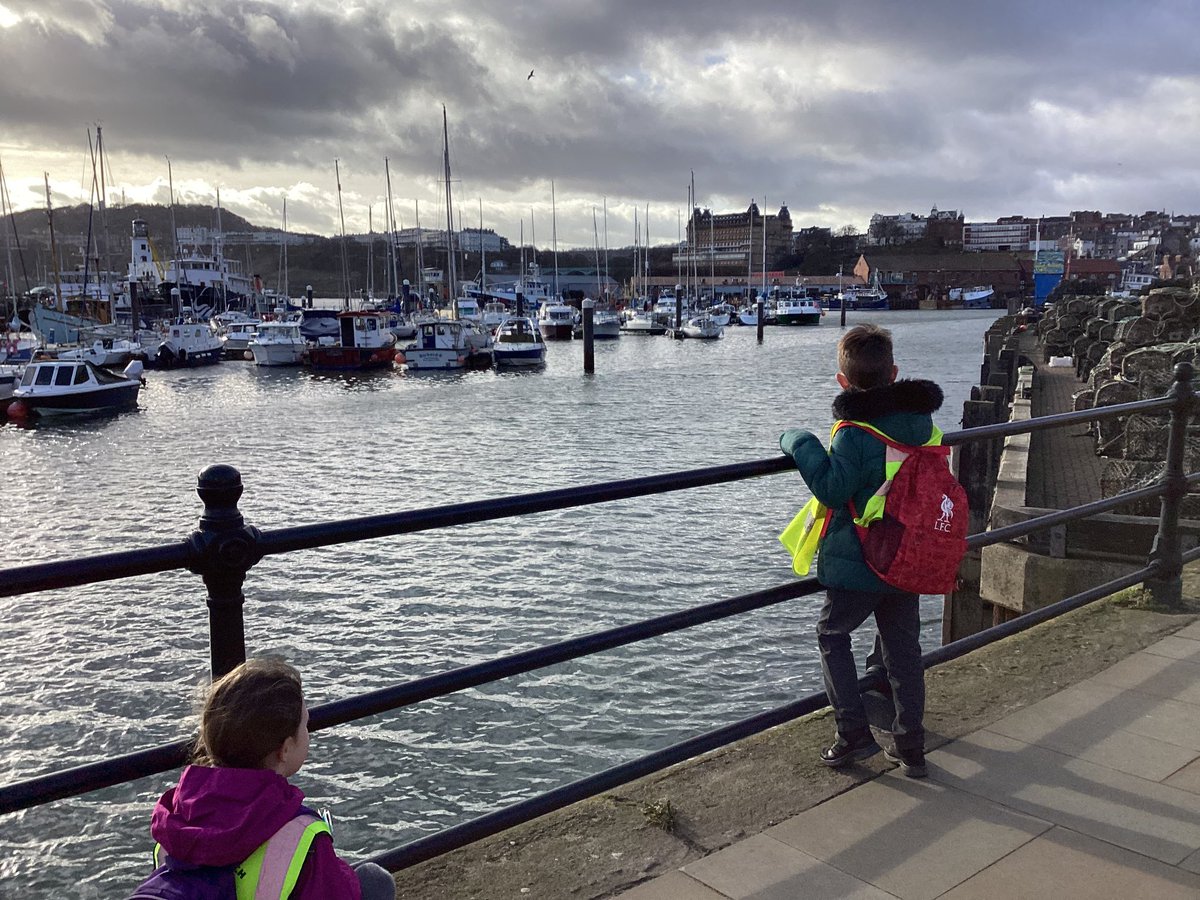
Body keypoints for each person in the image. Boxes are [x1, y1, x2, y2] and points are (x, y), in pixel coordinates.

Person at [778, 323, 944, 778]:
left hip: (863, 559)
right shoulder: (923, 424)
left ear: (842, 381)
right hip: (907, 553)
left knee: (833, 636)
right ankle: (911, 744)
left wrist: (800, 442)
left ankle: (852, 734)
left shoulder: (853, 432)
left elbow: (834, 489)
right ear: (894, 372)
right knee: (903, 647)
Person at [146, 657, 396, 898]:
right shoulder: (300, 834)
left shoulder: (177, 813)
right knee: (376, 881)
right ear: (285, 749)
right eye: (305, 726)